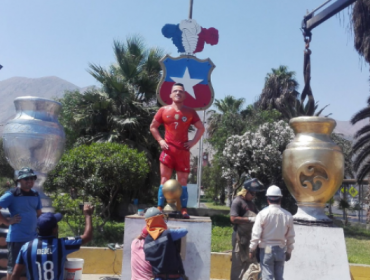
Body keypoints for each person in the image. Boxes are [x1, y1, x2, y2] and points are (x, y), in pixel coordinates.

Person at [150, 83, 205, 218]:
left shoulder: (190, 112)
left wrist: (193, 142)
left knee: (183, 181)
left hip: (182, 152)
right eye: (175, 91)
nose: (178, 93)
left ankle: (184, 209)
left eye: (180, 91)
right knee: (164, 179)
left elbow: (201, 128)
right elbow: (153, 127)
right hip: (168, 150)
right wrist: (161, 141)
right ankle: (160, 207)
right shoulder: (163, 110)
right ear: (170, 95)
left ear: (185, 95)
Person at [11, 204, 94, 280]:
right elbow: (87, 237)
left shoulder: (26, 247)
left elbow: (15, 274)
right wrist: (88, 215)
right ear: (54, 229)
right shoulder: (62, 244)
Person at [0, 168, 42, 280]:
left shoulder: (35, 195)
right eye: (26, 178)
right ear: (19, 180)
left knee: (31, 268)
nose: (29, 181)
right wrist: (7, 221)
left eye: (32, 178)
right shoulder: (12, 194)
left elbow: (39, 214)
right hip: (17, 239)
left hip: (33, 239)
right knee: (13, 269)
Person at [249, 185, 295, 280]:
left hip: (266, 250)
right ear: (280, 199)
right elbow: (290, 236)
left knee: (267, 277)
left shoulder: (262, 214)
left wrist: (251, 249)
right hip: (281, 250)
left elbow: (256, 234)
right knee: (279, 277)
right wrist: (289, 251)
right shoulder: (288, 215)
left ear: (267, 199)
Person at [230, 178, 263, 280]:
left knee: (249, 265)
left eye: (255, 194)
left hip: (250, 237)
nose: (254, 196)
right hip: (239, 238)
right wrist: (250, 219)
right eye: (252, 193)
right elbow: (233, 219)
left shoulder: (251, 204)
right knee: (237, 264)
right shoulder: (237, 202)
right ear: (246, 191)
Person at [143, 207, 188, 280]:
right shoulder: (168, 234)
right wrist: (175, 229)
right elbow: (185, 231)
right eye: (162, 218)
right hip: (175, 277)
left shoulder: (147, 241)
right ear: (159, 220)